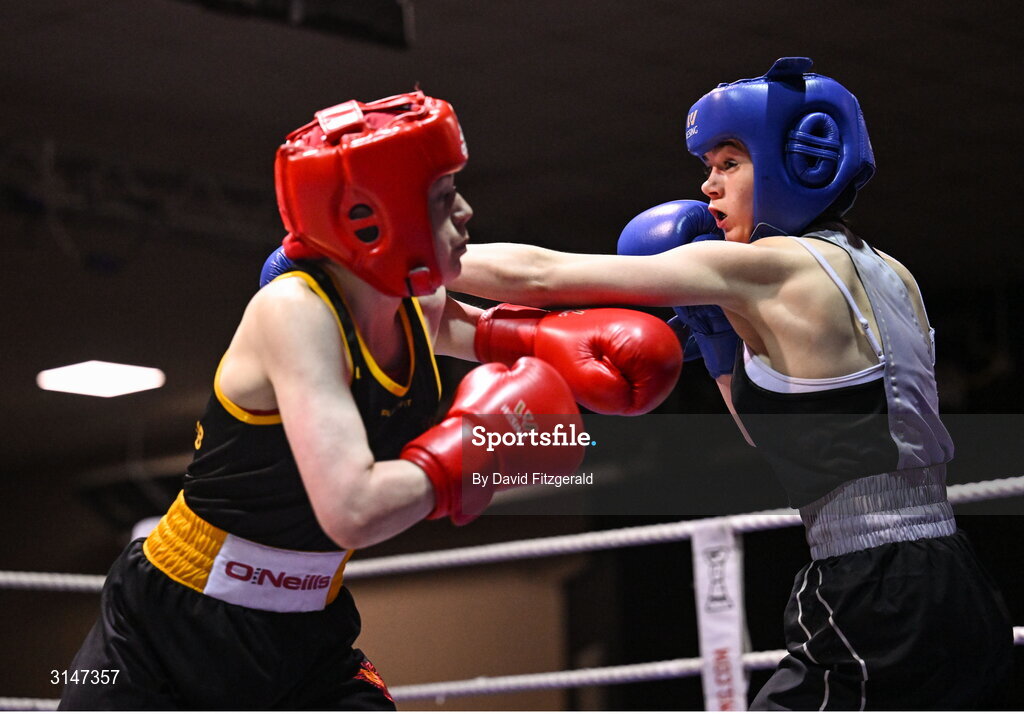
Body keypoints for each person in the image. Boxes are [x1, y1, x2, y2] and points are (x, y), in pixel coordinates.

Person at [58, 90, 683, 709]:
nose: (465, 212)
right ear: (370, 217)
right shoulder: (294, 311)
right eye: (442, 197)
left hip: (307, 631)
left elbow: (513, 298)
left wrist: (552, 338)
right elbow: (351, 510)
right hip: (164, 627)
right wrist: (472, 449)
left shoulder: (416, 307)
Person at [449, 58, 1014, 709]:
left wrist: (399, 256)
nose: (707, 186)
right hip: (953, 574)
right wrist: (720, 341)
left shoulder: (767, 270)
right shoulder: (891, 272)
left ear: (794, 162)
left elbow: (542, 276)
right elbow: (782, 435)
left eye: (729, 164)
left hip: (874, 586)